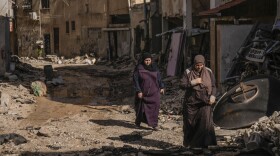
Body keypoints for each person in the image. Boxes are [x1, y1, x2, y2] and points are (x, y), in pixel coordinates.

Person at [180, 54, 217, 148]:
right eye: (197, 65)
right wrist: (193, 82)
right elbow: (182, 85)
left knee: (205, 124)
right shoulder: (188, 71)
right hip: (191, 102)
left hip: (205, 102)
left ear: (204, 64)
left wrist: (213, 95)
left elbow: (213, 85)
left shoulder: (208, 71)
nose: (199, 67)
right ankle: (190, 145)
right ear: (194, 64)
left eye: (201, 65)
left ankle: (205, 145)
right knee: (190, 124)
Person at [133, 53, 164, 130]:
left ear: (151, 60)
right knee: (140, 108)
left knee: (155, 107)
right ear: (143, 60)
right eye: (146, 60)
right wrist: (138, 91)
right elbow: (136, 80)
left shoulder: (155, 68)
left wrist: (162, 87)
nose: (147, 62)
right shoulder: (139, 68)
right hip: (143, 92)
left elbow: (159, 78)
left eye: (149, 60)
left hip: (154, 92)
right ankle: (138, 123)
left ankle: (154, 125)